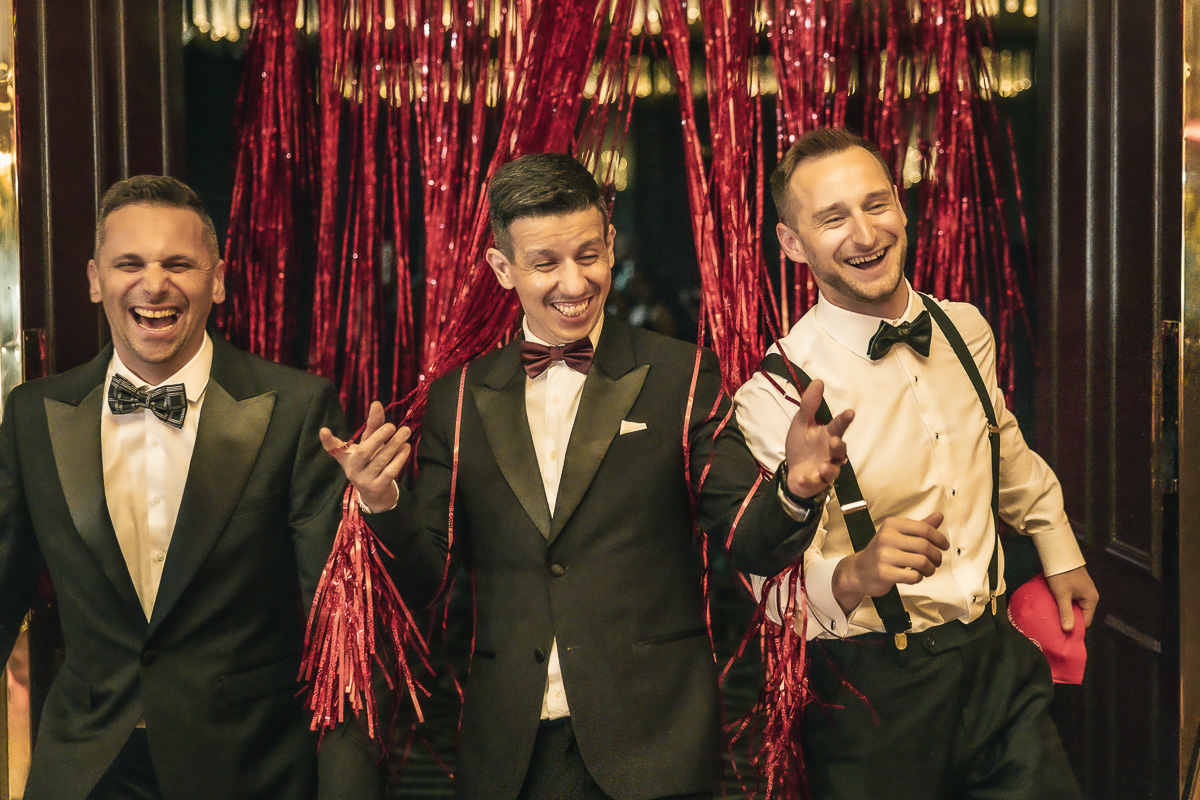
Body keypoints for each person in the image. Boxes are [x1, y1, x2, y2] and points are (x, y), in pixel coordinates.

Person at [322, 152, 848, 800]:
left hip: (655, 740)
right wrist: (382, 503)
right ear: (502, 268)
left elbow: (746, 538)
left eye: (588, 255)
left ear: (610, 244)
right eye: (545, 263)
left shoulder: (680, 374)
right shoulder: (459, 399)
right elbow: (428, 578)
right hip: (510, 747)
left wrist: (794, 489)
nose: (573, 282)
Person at [734, 128, 1100, 800]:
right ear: (792, 244)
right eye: (832, 218)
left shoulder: (965, 328)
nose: (864, 233)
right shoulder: (776, 391)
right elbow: (766, 580)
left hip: (997, 661)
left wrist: (1058, 548)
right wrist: (855, 573)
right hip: (874, 692)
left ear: (900, 208)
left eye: (875, 204)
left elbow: (1003, 448)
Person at [0, 175, 358, 800]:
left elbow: (343, 628)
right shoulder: (33, 415)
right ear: (94, 279)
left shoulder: (299, 408)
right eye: (129, 264)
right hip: (86, 770)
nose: (154, 284)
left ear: (216, 280)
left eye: (178, 264)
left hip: (249, 769)